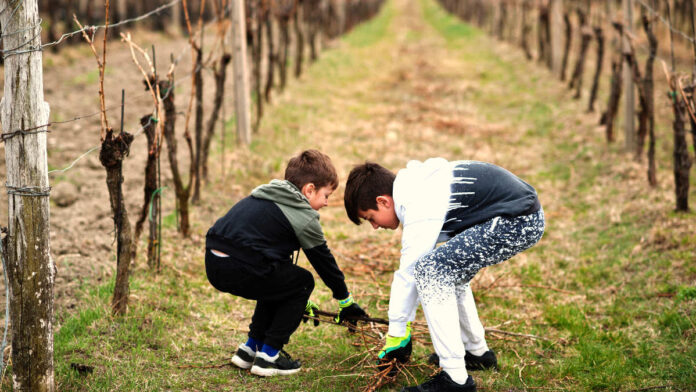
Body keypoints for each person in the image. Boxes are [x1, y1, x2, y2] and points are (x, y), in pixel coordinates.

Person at [344, 158, 545, 392]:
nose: (375, 227)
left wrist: (397, 335)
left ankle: (455, 379)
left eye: (370, 218)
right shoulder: (415, 187)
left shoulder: (418, 201)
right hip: (517, 216)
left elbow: (409, 273)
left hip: (518, 221)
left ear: (383, 201)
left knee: (431, 273)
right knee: (448, 272)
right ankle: (476, 352)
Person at [205, 149, 368, 377]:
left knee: (278, 279)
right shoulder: (302, 215)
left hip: (214, 263)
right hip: (241, 265)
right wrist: (345, 301)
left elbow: (273, 265)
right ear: (309, 190)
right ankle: (268, 357)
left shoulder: (266, 195)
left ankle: (249, 350)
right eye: (326, 195)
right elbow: (324, 262)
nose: (327, 203)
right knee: (302, 282)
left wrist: (292, 306)